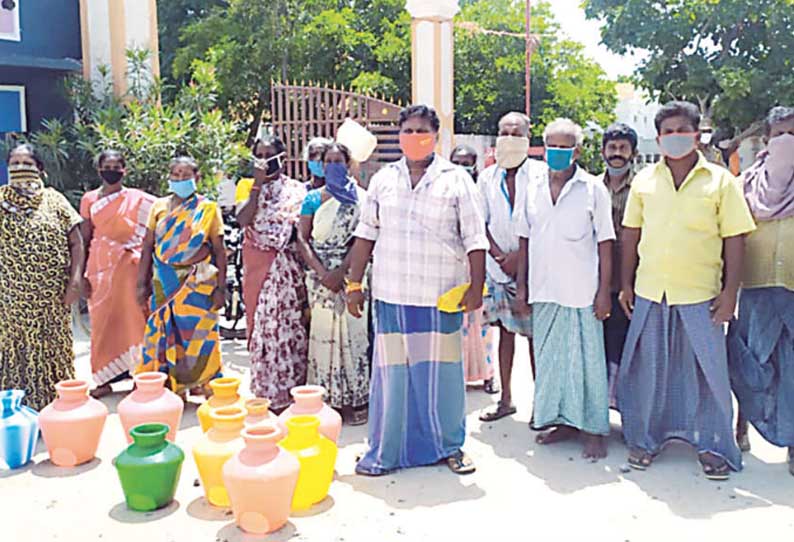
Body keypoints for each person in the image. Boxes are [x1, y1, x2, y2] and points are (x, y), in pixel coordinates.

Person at [347, 105, 489, 475]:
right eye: (407, 131)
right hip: (392, 295)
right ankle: (387, 450)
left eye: (421, 131)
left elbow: (475, 239)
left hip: (438, 296)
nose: (414, 137)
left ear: (436, 136)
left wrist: (477, 286)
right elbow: (365, 235)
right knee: (393, 378)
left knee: (441, 378)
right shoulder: (383, 180)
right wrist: (353, 283)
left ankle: (450, 446)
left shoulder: (457, 179)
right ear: (398, 135)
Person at [617, 101, 756, 480]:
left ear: (697, 135)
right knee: (649, 370)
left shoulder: (720, 181)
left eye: (682, 130)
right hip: (650, 291)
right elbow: (631, 234)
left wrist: (731, 294)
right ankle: (646, 440)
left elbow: (735, 239)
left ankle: (713, 445)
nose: (675, 137)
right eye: (668, 132)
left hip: (700, 293)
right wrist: (625, 283)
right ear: (659, 138)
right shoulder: (644, 180)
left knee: (708, 373)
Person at [515, 118, 615, 459]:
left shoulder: (592, 189)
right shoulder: (532, 186)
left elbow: (605, 242)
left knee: (587, 363)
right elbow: (524, 240)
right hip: (543, 289)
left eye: (565, 145)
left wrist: (604, 292)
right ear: (544, 148)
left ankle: (593, 429)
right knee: (551, 362)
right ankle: (562, 421)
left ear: (578, 150)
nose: (558, 152)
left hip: (582, 290)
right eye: (552, 145)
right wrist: (521, 288)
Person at [728, 106, 794, 475]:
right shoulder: (747, 184)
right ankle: (741, 426)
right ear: (767, 141)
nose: (788, 143)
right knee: (750, 362)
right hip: (754, 288)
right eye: (780, 135)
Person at [0, 143, 84, 410]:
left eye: (27, 164)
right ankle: (18, 412)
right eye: (14, 163)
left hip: (52, 300)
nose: (20, 169)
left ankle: (57, 409)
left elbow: (77, 243)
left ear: (40, 169)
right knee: (17, 354)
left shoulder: (55, 200)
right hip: (11, 302)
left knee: (52, 353)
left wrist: (75, 280)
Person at [136, 156, 226, 397]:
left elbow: (219, 250)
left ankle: (205, 383)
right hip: (163, 280)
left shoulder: (208, 208)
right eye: (175, 174)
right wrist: (140, 284)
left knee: (200, 335)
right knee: (164, 332)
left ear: (196, 178)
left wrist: (222, 288)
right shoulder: (158, 207)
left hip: (199, 283)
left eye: (185, 175)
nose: (179, 179)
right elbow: (147, 247)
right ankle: (171, 389)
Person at [296, 142, 370, 425]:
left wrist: (342, 271)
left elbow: (364, 237)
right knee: (324, 336)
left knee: (354, 335)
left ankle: (357, 398)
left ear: (349, 164)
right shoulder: (313, 198)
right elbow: (302, 238)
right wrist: (322, 272)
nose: (334, 165)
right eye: (329, 161)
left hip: (353, 274)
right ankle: (327, 399)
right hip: (320, 278)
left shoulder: (361, 198)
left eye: (340, 160)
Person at [236, 135, 308, 412]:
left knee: (288, 327)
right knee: (262, 328)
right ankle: (267, 390)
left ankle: (291, 390)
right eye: (260, 154)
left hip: (287, 269)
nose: (265, 159)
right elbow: (243, 219)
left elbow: (298, 232)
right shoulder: (246, 187)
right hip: (258, 266)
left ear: (283, 157)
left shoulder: (296, 190)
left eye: (270, 153)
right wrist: (257, 184)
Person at [80, 150, 156, 397]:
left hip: (131, 269)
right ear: (99, 169)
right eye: (107, 166)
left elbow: (156, 225)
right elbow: (84, 237)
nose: (111, 170)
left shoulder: (137, 199)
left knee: (134, 319)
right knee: (101, 324)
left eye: (116, 166)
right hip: (99, 271)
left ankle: (139, 375)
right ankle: (102, 379)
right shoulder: (89, 199)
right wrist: (79, 275)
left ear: (125, 170)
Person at [478, 112, 536, 422]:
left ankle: (542, 405)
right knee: (504, 335)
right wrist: (502, 257)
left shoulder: (539, 175)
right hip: (497, 270)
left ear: (528, 138)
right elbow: (480, 222)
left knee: (535, 339)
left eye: (516, 133)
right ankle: (506, 400)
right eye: (504, 133)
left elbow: (540, 223)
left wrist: (520, 262)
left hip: (533, 271)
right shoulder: (487, 177)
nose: (509, 139)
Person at [450, 144, 497, 395]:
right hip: (451, 266)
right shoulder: (443, 189)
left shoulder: (481, 192)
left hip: (478, 265)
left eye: (466, 162)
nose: (461, 167)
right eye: (456, 162)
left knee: (481, 324)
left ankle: (488, 375)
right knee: (456, 325)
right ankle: (459, 374)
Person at [598, 123, 638, 406]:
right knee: (597, 351)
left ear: (633, 153)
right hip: (597, 282)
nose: (617, 154)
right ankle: (596, 416)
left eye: (623, 148)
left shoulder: (643, 188)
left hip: (630, 284)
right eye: (612, 148)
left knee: (624, 351)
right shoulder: (591, 186)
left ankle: (627, 416)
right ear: (603, 152)